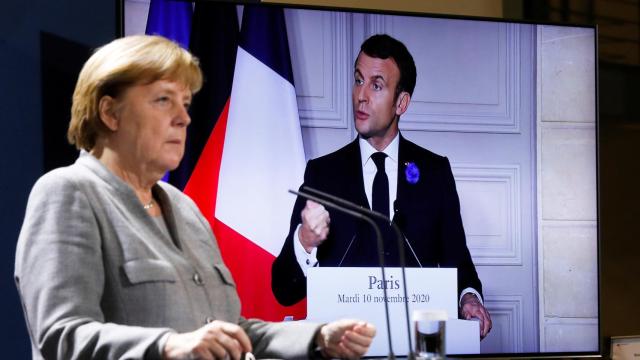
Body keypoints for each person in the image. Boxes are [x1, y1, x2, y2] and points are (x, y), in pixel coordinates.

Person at [14, 35, 376, 360]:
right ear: (110, 112)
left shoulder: (185, 209)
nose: (184, 118)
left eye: (185, 103)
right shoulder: (68, 193)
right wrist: (168, 346)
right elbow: (61, 336)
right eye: (163, 101)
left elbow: (232, 330)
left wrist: (318, 337)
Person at [272, 34, 492, 338]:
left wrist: (468, 297)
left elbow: (457, 259)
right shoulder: (323, 174)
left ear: (401, 102)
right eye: (358, 80)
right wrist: (305, 241)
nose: (361, 95)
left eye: (376, 85)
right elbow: (283, 289)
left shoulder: (434, 172)